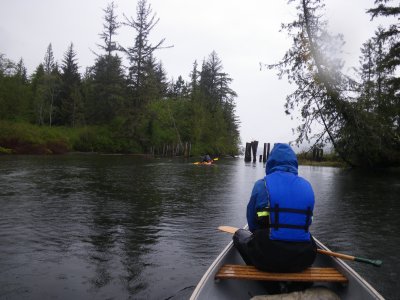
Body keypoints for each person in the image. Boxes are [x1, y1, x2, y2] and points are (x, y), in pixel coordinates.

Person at [233, 143, 317, 272]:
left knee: (238, 235)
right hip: (304, 257)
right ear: (294, 163)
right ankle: (297, 281)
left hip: (269, 257)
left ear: (270, 162)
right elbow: (307, 222)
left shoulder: (262, 184)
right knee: (309, 238)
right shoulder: (307, 186)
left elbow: (252, 224)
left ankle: (265, 280)